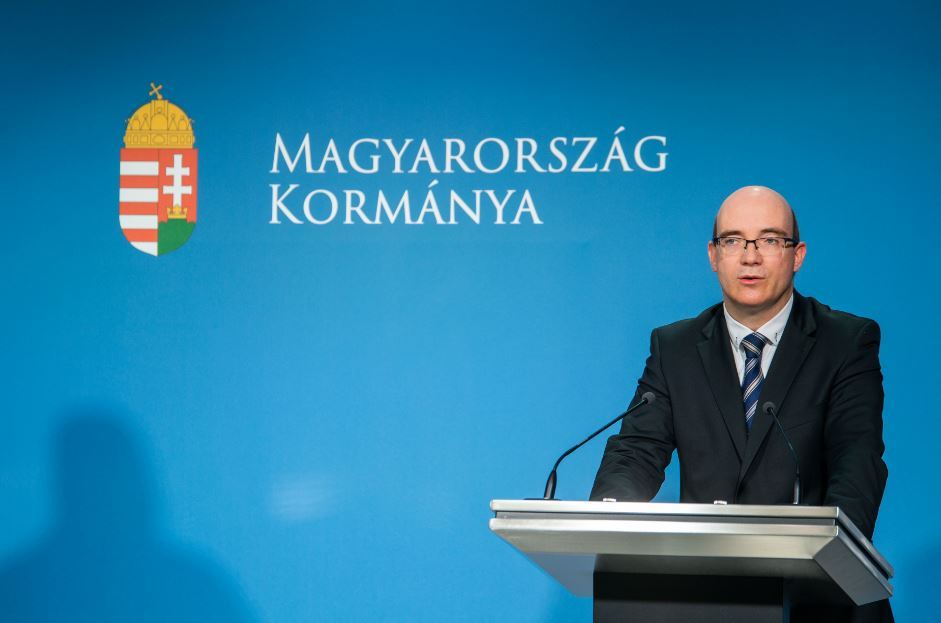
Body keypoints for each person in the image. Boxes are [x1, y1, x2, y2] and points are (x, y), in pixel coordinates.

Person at [590, 185, 891, 622]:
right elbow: (636, 451)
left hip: (819, 598)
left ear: (797, 255)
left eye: (769, 240)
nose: (750, 257)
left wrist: (827, 561)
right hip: (701, 597)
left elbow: (856, 461)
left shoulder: (845, 342)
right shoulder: (675, 347)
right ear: (714, 255)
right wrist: (608, 520)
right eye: (733, 241)